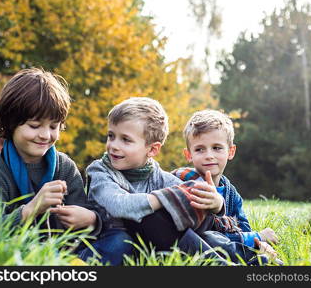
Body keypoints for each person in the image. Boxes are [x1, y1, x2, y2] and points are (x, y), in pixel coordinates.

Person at [0, 67, 103, 262]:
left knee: (116, 242)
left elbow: (86, 223)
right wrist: (31, 209)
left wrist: (91, 219)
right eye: (34, 126)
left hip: (67, 255)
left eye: (54, 126)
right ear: (11, 124)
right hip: (19, 257)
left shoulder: (65, 167)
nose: (45, 135)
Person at [85, 97, 229, 265]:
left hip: (151, 244)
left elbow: (187, 196)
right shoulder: (100, 171)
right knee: (121, 241)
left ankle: (242, 258)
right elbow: (119, 205)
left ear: (152, 149)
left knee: (206, 236)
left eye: (125, 139)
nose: (113, 145)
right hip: (109, 240)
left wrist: (217, 204)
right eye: (111, 136)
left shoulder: (159, 176)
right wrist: (164, 198)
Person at [172, 109, 279, 257]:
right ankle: (251, 254)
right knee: (209, 238)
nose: (209, 156)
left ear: (231, 151)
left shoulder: (230, 192)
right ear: (188, 154)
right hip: (191, 245)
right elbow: (200, 233)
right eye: (199, 149)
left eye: (216, 148)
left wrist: (252, 238)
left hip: (220, 245)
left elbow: (243, 228)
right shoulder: (184, 182)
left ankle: (255, 254)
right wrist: (258, 237)